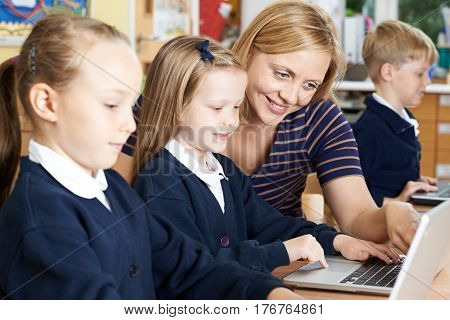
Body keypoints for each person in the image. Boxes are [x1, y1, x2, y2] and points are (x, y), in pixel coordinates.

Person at [0, 14, 297, 299]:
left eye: (130, 105)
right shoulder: (39, 218)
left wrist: (267, 292)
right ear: (47, 103)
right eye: (112, 104)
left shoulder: (113, 190)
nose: (130, 125)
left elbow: (191, 266)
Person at [115, 1, 419, 254]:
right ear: (249, 52)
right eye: (282, 73)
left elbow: (355, 217)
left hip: (284, 265)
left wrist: (393, 213)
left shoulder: (319, 118)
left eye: (309, 84)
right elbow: (114, 198)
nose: (290, 96)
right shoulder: (179, 96)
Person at [352, 20, 438, 207]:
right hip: (381, 228)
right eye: (420, 73)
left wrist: (415, 181)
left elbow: (387, 174)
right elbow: (349, 194)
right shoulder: (369, 131)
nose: (428, 81)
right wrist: (396, 200)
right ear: (389, 72)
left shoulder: (403, 121)